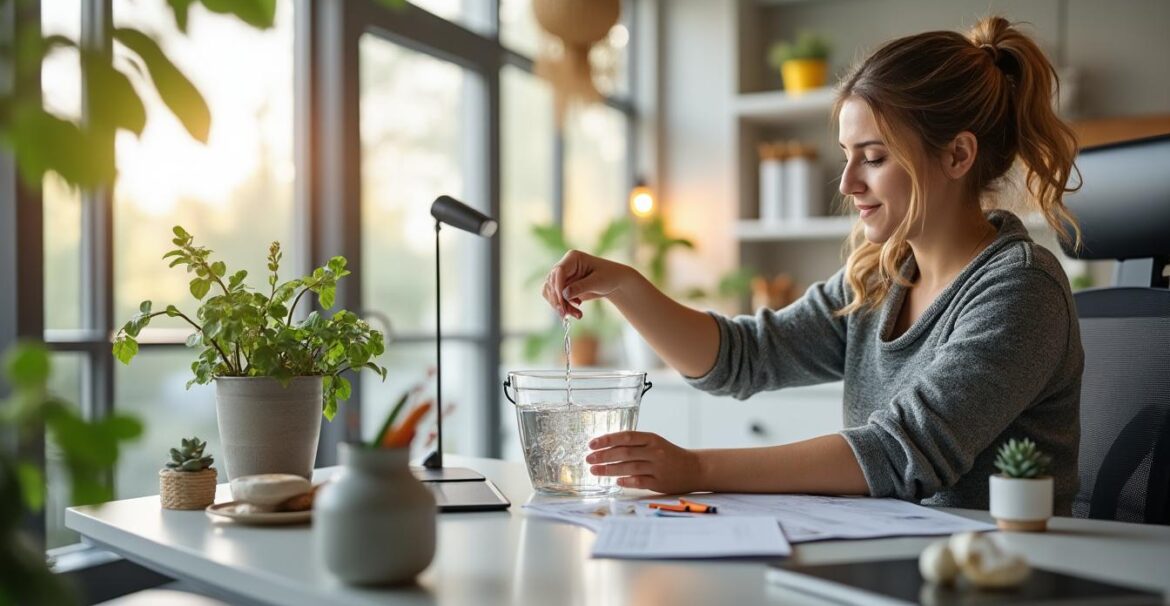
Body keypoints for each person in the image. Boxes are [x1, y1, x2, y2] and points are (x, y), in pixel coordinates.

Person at [541, 16, 1085, 513]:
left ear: (958, 156)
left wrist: (696, 467)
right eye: (847, 156)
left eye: (873, 158)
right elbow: (744, 356)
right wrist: (624, 286)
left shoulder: (1020, 288)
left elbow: (899, 452)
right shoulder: (879, 279)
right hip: (903, 557)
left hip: (1005, 572)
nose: (848, 183)